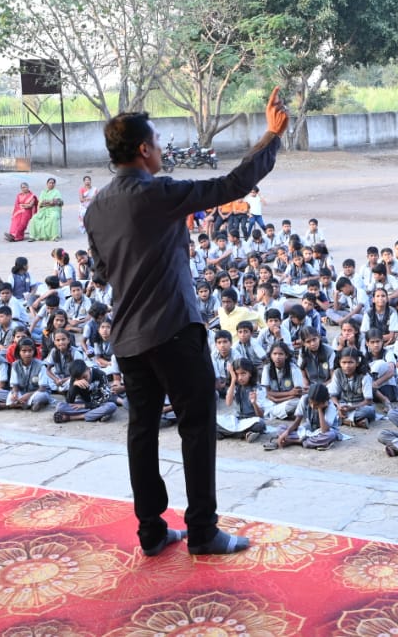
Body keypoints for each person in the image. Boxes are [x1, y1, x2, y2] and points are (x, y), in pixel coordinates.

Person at [82, 87, 288, 557]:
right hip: (173, 330)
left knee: (142, 432)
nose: (162, 147)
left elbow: (99, 271)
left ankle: (151, 532)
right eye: (157, 140)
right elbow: (232, 186)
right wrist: (271, 136)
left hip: (128, 338)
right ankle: (202, 531)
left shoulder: (96, 207)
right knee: (196, 427)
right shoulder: (159, 192)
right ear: (143, 150)